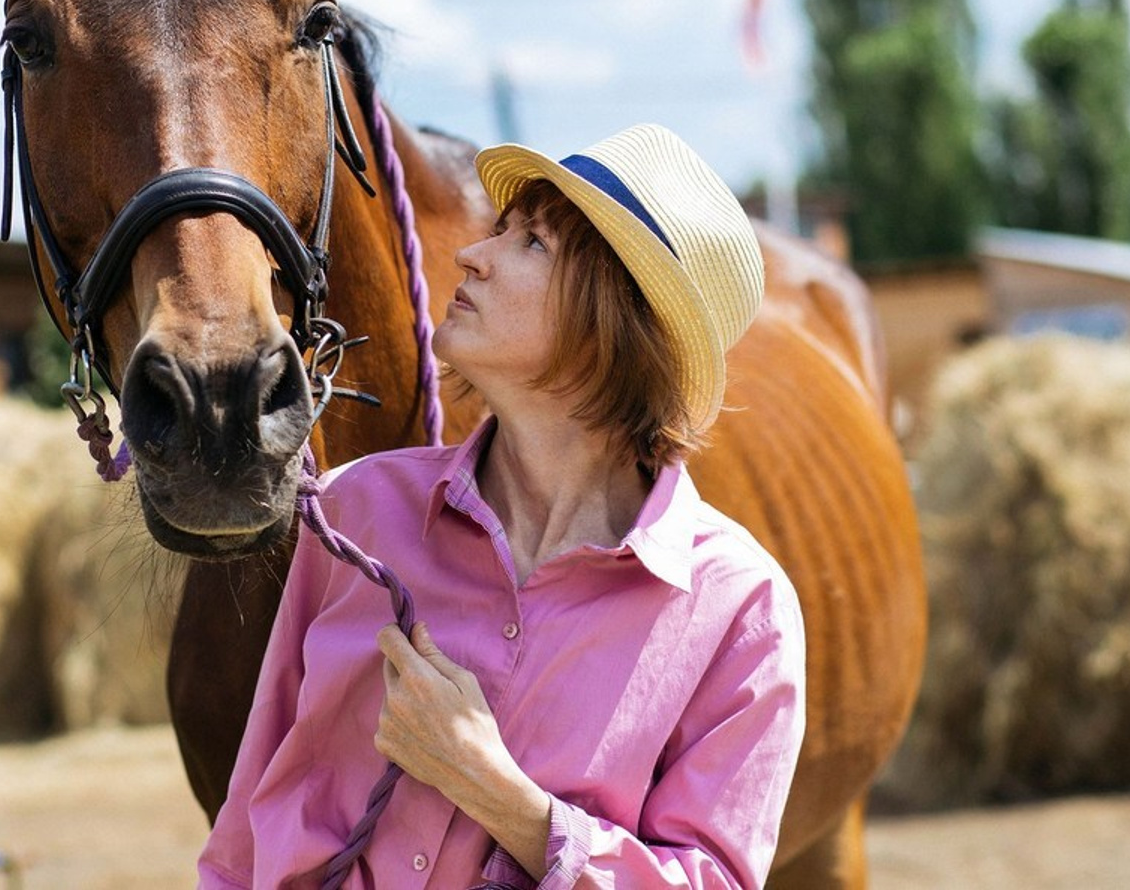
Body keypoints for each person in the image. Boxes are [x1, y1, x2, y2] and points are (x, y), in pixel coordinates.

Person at [198, 123, 806, 889]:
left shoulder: (740, 610)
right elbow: (242, 841)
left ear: (617, 320)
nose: (471, 255)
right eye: (501, 229)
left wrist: (496, 791)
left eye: (532, 243)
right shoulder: (354, 513)